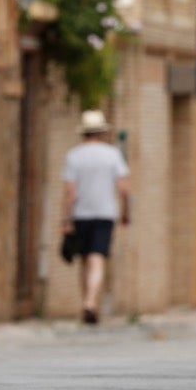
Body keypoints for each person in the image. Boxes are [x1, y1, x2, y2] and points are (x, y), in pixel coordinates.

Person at [60, 110, 130, 325]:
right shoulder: (112, 155)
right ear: (102, 132)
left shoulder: (74, 156)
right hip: (105, 213)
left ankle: (87, 303)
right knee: (97, 258)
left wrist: (66, 219)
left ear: (84, 133)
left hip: (81, 214)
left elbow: (70, 192)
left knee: (84, 260)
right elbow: (123, 188)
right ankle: (91, 302)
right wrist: (126, 211)